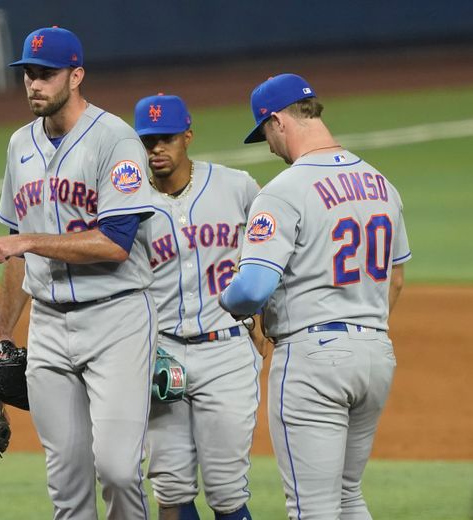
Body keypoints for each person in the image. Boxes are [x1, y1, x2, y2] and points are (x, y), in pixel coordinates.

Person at [0, 26, 157, 520]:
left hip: (115, 320)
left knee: (117, 469)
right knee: (66, 481)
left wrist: (27, 240)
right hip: (48, 325)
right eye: (28, 73)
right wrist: (3, 335)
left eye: (46, 75)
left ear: (76, 75)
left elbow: (115, 243)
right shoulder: (19, 144)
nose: (34, 84)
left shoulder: (115, 139)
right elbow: (15, 255)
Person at [219, 73, 411, 519]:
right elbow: (396, 279)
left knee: (312, 509)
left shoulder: (283, 191)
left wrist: (228, 299)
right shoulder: (381, 183)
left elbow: (252, 289)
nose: (267, 145)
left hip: (313, 361)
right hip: (376, 353)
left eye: (264, 131)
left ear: (279, 121)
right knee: (348, 497)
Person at [133, 93, 270, 520]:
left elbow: (272, 254)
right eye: (148, 139)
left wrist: (265, 322)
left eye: (167, 138)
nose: (156, 148)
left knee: (228, 489)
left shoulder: (237, 186)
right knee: (170, 488)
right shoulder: (127, 205)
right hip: (160, 353)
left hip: (226, 349)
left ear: (187, 135)